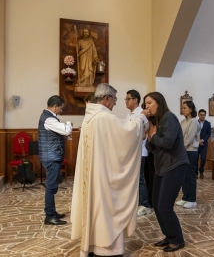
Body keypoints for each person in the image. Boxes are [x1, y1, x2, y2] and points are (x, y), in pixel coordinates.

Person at [71, 83, 149, 257]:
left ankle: (91, 245)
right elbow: (127, 133)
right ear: (106, 98)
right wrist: (141, 117)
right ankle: (106, 249)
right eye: (114, 98)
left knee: (94, 208)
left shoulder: (90, 117)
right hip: (103, 176)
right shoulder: (104, 118)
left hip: (94, 174)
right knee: (106, 207)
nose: (115, 103)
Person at [144, 92, 188, 252]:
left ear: (159, 102)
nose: (147, 106)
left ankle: (177, 240)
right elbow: (151, 148)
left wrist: (153, 135)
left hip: (175, 165)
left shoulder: (169, 118)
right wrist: (148, 138)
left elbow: (168, 142)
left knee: (164, 206)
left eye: (149, 103)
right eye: (145, 104)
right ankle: (169, 236)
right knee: (156, 203)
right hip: (161, 167)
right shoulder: (156, 122)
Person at [38, 95, 72, 225]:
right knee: (51, 188)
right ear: (56, 106)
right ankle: (50, 216)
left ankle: (52, 212)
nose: (61, 111)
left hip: (52, 156)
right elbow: (66, 130)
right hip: (51, 157)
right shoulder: (49, 119)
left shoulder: (49, 118)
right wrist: (69, 123)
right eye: (61, 108)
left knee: (53, 186)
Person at [125, 89, 152, 217]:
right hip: (131, 151)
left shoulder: (141, 114)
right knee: (133, 179)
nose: (126, 101)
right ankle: (136, 202)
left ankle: (145, 205)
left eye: (128, 99)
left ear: (135, 100)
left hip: (140, 151)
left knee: (140, 179)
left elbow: (143, 134)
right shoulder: (129, 115)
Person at [176, 101, 200, 209]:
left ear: (191, 109)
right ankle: (185, 197)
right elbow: (180, 136)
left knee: (190, 176)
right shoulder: (182, 121)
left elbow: (189, 138)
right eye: (182, 108)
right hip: (183, 150)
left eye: (185, 108)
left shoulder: (194, 121)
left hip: (190, 151)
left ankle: (192, 199)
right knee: (183, 176)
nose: (182, 110)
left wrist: (180, 149)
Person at [197, 109, 212, 179]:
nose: (202, 116)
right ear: (198, 115)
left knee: (203, 158)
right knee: (195, 159)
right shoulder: (195, 122)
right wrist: (198, 141)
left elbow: (208, 134)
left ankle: (201, 171)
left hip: (204, 144)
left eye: (204, 115)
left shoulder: (208, 123)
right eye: (201, 115)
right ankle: (195, 172)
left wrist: (202, 140)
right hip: (196, 144)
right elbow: (193, 133)